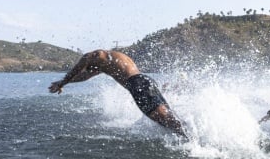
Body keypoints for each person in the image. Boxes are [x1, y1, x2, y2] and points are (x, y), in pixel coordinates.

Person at [49, 49, 186, 137]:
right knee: (168, 118)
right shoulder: (112, 60)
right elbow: (83, 76)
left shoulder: (97, 55)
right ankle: (191, 133)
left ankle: (191, 141)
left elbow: (81, 65)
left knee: (166, 121)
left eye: (89, 67)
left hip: (136, 84)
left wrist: (62, 83)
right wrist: (64, 82)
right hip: (145, 81)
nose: (90, 69)